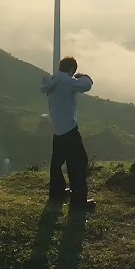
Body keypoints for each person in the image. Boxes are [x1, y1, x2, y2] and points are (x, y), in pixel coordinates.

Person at [40, 56, 95, 209]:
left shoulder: (53, 80)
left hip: (57, 129)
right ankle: (79, 201)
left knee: (56, 163)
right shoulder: (66, 81)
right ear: (71, 69)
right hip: (69, 130)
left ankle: (57, 192)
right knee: (78, 162)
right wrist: (83, 76)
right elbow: (86, 86)